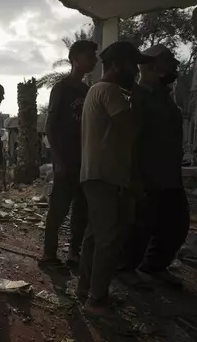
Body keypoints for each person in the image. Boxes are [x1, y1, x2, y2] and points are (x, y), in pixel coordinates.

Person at [77, 41, 151, 318]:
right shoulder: (110, 91)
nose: (136, 71)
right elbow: (131, 130)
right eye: (134, 65)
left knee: (95, 237)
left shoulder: (97, 90)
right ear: (119, 65)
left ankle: (85, 290)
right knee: (107, 239)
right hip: (105, 176)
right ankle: (96, 300)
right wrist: (139, 101)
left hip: (97, 175)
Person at [120, 45, 188, 288]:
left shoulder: (164, 97)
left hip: (170, 174)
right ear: (150, 66)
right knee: (140, 226)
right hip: (147, 174)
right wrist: (134, 176)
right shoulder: (137, 96)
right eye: (168, 61)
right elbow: (130, 139)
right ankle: (125, 268)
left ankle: (154, 265)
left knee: (176, 223)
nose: (174, 66)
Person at [40, 40, 97, 269]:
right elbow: (50, 126)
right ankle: (48, 254)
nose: (93, 59)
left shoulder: (87, 91)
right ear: (74, 60)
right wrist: (59, 159)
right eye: (89, 55)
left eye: (94, 56)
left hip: (85, 161)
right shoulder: (62, 88)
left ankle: (74, 252)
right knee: (59, 209)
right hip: (66, 159)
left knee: (81, 209)